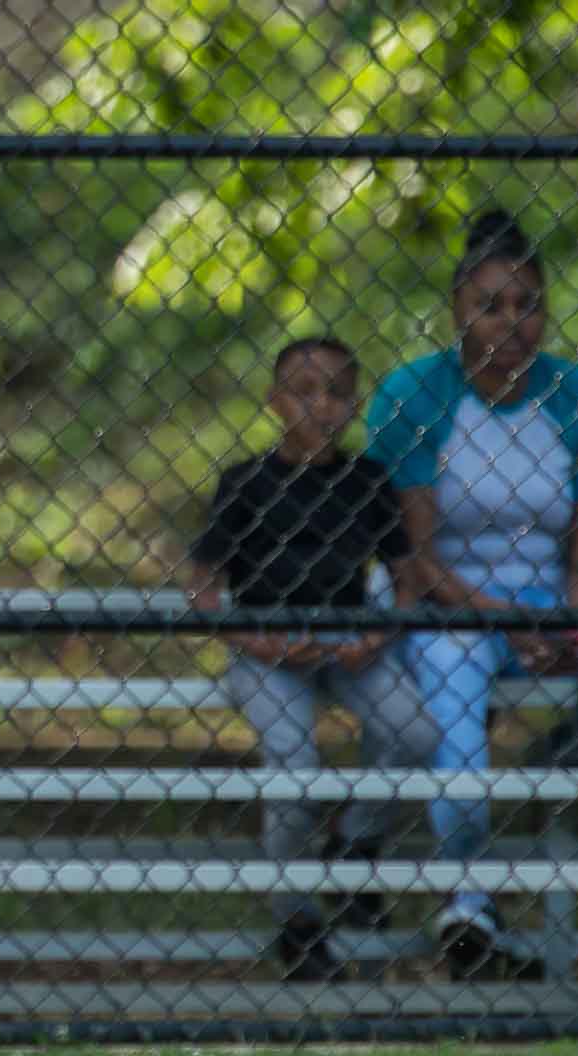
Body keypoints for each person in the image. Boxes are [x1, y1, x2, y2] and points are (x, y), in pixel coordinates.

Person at [366, 209, 578, 980]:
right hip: (447, 598)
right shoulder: (414, 393)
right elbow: (414, 559)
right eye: (491, 304)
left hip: (554, 598)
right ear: (457, 308)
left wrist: (577, 627)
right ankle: (468, 899)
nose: (511, 322)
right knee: (456, 691)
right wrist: (514, 624)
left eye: (527, 304)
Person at [188, 338, 440, 981]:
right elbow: (203, 590)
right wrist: (260, 641)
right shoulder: (245, 483)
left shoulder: (366, 481)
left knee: (414, 733)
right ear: (275, 402)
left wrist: (378, 637)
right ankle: (296, 918)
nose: (319, 405)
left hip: (349, 643)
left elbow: (406, 575)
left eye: (335, 392)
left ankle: (354, 844)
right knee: (295, 765)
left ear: (353, 405)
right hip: (268, 651)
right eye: (304, 391)